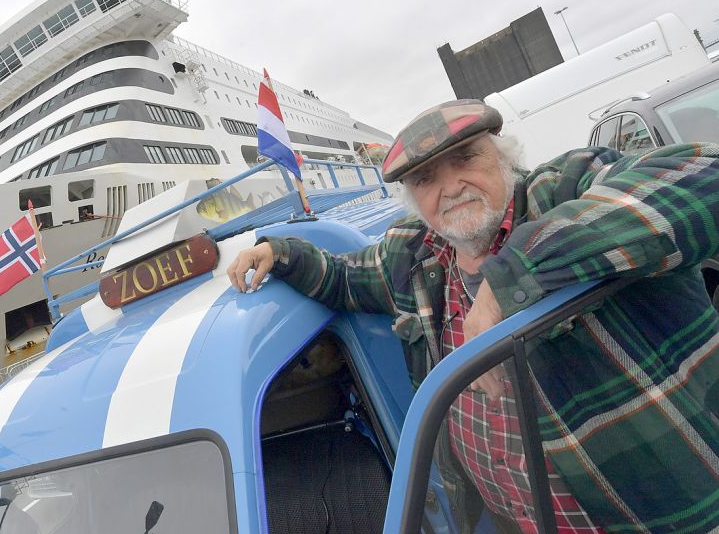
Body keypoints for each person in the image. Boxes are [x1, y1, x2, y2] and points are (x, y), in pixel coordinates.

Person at [228, 99, 719, 534]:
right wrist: (281, 253)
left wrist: (516, 275)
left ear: (503, 160)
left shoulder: (561, 189)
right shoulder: (413, 255)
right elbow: (341, 278)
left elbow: (703, 176)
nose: (451, 186)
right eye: (425, 178)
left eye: (465, 159)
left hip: (667, 513)